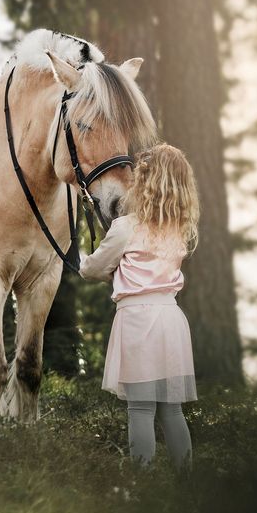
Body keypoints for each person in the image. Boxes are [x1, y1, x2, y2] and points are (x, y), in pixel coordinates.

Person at [79, 143, 199, 474]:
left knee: (141, 409)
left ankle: (143, 485)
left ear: (142, 182)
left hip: (138, 321)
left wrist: (87, 263)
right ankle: (186, 481)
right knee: (171, 411)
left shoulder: (125, 228)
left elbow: (92, 269)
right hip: (170, 319)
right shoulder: (178, 230)